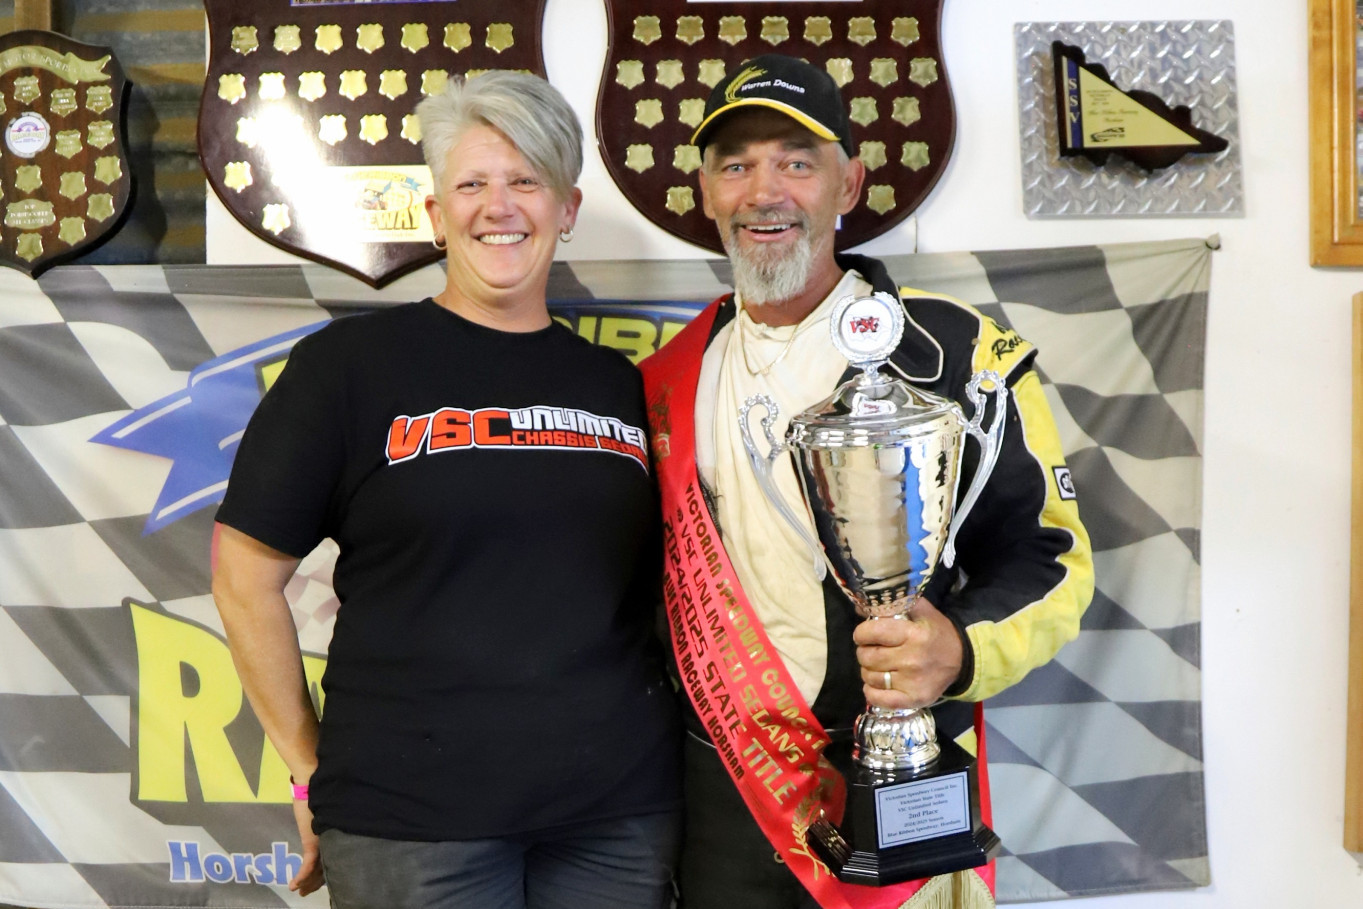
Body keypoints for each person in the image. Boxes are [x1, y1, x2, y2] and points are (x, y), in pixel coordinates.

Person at [211, 70, 681, 909]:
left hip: (616, 815)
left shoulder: (621, 384)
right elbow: (243, 574)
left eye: (525, 180)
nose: (498, 206)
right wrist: (309, 770)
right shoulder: (347, 369)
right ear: (435, 214)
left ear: (565, 210)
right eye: (471, 183)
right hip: (410, 820)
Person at [639, 55, 1094, 909]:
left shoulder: (960, 357)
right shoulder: (663, 381)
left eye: (795, 162)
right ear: (704, 193)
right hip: (721, 800)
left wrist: (955, 651)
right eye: (734, 164)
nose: (763, 191)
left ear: (848, 183)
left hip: (902, 788)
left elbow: (1053, 564)